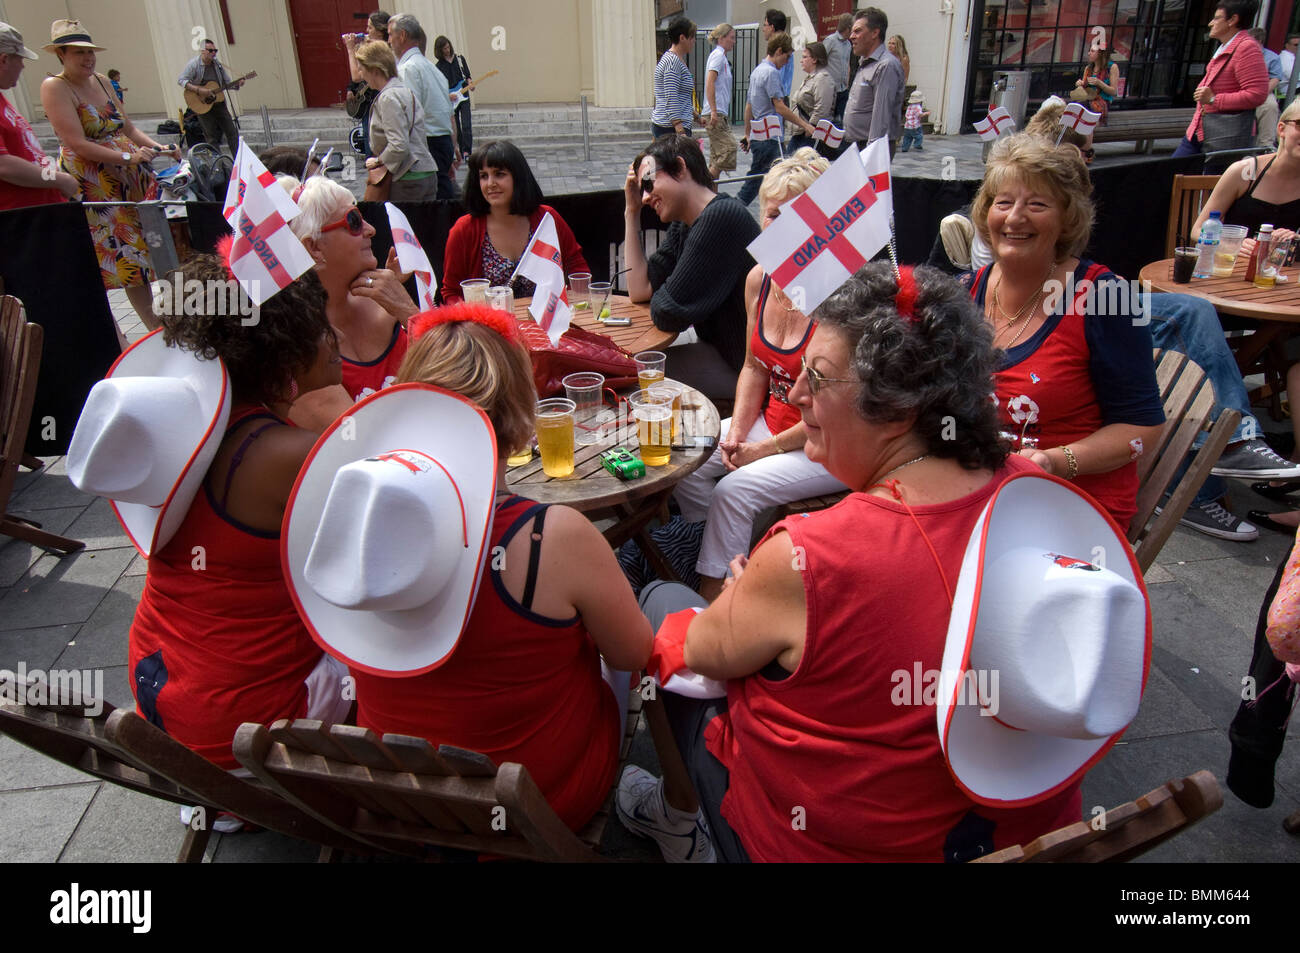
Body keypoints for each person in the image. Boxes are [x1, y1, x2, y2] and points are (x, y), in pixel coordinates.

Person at [618, 264, 1090, 862]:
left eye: (817, 377)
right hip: (1013, 835)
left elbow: (701, 650)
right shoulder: (1046, 503)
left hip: (818, 842)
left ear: (893, 406)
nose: (793, 395)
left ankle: (676, 818)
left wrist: (744, 603)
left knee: (662, 605)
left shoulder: (807, 557)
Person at [335, 305, 653, 832]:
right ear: (521, 418)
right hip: (540, 804)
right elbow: (634, 653)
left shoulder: (353, 518)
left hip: (406, 805)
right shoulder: (555, 536)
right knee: (637, 627)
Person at [129, 255, 349, 776]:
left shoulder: (195, 427)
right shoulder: (289, 455)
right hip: (247, 733)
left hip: (163, 698)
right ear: (288, 349)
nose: (333, 334)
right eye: (321, 323)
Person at [966, 133, 1165, 528]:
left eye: (1037, 205)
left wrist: (1056, 461)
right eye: (1003, 202)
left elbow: (1144, 427)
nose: (1015, 217)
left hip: (1073, 505)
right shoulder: (966, 290)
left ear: (1066, 218)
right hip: (981, 493)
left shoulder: (1106, 299)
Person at [674, 149, 846, 601]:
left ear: (824, 223)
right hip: (770, 424)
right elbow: (753, 365)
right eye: (773, 215)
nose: (782, 228)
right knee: (683, 458)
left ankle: (720, 601)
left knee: (733, 492)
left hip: (827, 442)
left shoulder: (840, 294)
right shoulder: (761, 279)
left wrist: (760, 450)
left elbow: (831, 408)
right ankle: (715, 548)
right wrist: (735, 437)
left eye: (797, 215)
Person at [41, 19, 179, 329]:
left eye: (90, 52)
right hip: (95, 186)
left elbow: (127, 128)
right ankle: (152, 333)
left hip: (127, 179)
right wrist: (128, 156)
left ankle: (162, 330)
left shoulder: (101, 80)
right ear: (61, 54)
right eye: (79, 53)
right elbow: (76, 143)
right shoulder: (55, 86)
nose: (88, 59)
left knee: (144, 259)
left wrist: (161, 148)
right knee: (125, 263)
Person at [624, 135, 761, 400]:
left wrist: (664, 295)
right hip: (722, 352)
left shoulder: (722, 218)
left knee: (636, 379)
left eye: (649, 184)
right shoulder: (685, 223)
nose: (644, 197)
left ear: (681, 167)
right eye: (642, 190)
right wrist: (631, 213)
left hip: (746, 370)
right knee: (635, 369)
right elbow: (640, 289)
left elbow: (667, 311)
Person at [285, 174, 418, 407]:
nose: (371, 230)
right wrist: (409, 312)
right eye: (354, 221)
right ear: (314, 247)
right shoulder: (298, 345)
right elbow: (361, 438)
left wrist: (408, 310)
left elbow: (458, 377)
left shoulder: (384, 304)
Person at [441, 139, 588, 303]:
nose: (490, 183)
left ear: (518, 177)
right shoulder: (464, 229)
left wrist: (575, 307)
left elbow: (578, 270)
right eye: (483, 176)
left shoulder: (547, 218)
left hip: (546, 323)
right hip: (488, 327)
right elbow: (451, 292)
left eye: (499, 174)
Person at [1172, 0, 1268, 159]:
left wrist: (1213, 99)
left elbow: (1257, 94)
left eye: (1216, 18)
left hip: (1222, 134)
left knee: (1208, 180)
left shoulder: (1246, 48)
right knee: (1172, 175)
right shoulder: (1228, 45)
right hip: (1201, 130)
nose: (1210, 23)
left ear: (1232, 20)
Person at [0, 22, 78, 211]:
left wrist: (52, 171)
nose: (23, 65)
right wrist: (59, 178)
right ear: (4, 60)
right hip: (18, 220)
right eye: (20, 58)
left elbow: (27, 150)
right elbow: (3, 165)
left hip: (38, 213)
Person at [353, 39, 438, 202]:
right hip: (423, 172)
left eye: (361, 68)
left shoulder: (388, 98)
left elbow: (399, 145)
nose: (360, 74)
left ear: (375, 69)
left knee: (404, 227)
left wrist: (377, 160)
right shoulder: (404, 91)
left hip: (407, 179)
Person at [387, 13, 458, 200]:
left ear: (402, 35)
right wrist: (453, 146)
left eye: (390, 35)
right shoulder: (431, 68)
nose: (389, 41)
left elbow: (410, 115)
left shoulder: (408, 69)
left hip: (427, 143)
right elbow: (448, 112)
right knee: (443, 195)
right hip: (441, 140)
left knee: (433, 204)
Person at [738, 33, 813, 207]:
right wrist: (804, 124)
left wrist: (748, 134)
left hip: (760, 137)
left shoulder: (757, 71)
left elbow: (749, 105)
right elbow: (779, 106)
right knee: (774, 181)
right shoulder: (772, 73)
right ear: (779, 51)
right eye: (787, 57)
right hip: (770, 138)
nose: (787, 62)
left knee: (765, 180)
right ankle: (734, 211)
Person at [845, 8, 904, 157]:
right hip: (858, 145)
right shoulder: (866, 63)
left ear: (874, 33)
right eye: (852, 32)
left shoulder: (885, 66)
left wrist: (871, 156)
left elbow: (881, 117)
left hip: (870, 148)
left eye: (857, 31)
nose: (852, 36)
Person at [177, 35, 244, 154]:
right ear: (203, 51)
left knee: (232, 132)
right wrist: (199, 90)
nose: (214, 53)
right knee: (211, 136)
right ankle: (218, 164)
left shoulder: (217, 65)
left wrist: (237, 84)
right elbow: (181, 80)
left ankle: (238, 161)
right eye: (210, 51)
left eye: (215, 51)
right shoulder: (194, 65)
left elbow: (226, 82)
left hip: (219, 103)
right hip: (202, 105)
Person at [703, 23, 737, 180]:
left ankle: (710, 194)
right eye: (732, 38)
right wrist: (714, 111)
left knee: (716, 157)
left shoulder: (720, 56)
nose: (734, 41)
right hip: (715, 112)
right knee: (728, 149)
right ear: (722, 38)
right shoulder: (718, 56)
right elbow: (710, 81)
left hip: (718, 111)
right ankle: (706, 185)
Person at [788, 43, 835, 156]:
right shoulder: (810, 78)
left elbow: (822, 108)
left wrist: (811, 128)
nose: (801, 60)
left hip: (809, 134)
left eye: (805, 57)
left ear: (814, 59)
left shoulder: (822, 79)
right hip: (800, 132)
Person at [652, 16, 695, 139]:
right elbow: (671, 96)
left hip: (670, 126)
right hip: (670, 128)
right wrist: (680, 131)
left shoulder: (676, 60)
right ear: (682, 38)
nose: (694, 41)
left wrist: (695, 115)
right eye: (692, 38)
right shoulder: (672, 62)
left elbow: (681, 96)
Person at [433, 35, 473, 160]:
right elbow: (438, 87)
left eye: (448, 47)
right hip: (451, 99)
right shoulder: (438, 67)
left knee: (467, 124)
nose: (447, 50)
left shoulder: (460, 59)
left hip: (464, 96)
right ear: (439, 50)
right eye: (444, 48)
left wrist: (470, 83)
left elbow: (467, 76)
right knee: (457, 128)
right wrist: (447, 95)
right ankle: (461, 151)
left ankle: (467, 151)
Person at [1248, 28, 1282, 148]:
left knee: (1270, 106)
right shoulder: (1241, 54)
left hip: (1262, 91)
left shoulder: (1272, 57)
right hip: (1241, 90)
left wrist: (1261, 93)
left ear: (1259, 41)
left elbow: (1275, 78)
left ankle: (1265, 145)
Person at [823, 13, 853, 123]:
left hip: (843, 89)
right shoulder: (830, 40)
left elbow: (847, 64)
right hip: (831, 89)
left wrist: (847, 82)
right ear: (848, 28)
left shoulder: (848, 44)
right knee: (829, 122)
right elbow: (820, 60)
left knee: (842, 122)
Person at [761, 9, 793, 99]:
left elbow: (777, 79)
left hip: (777, 99)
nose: (763, 29)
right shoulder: (775, 48)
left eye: (765, 25)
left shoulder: (781, 50)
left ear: (772, 27)